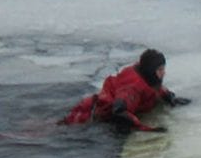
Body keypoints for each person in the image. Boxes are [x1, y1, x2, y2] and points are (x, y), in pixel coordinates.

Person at [60, 49, 190, 132]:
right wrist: (145, 128)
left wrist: (170, 97)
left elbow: (155, 88)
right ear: (151, 71)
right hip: (91, 116)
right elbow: (119, 111)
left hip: (95, 107)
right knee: (57, 128)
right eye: (160, 70)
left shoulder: (145, 74)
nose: (164, 73)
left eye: (163, 68)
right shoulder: (132, 88)